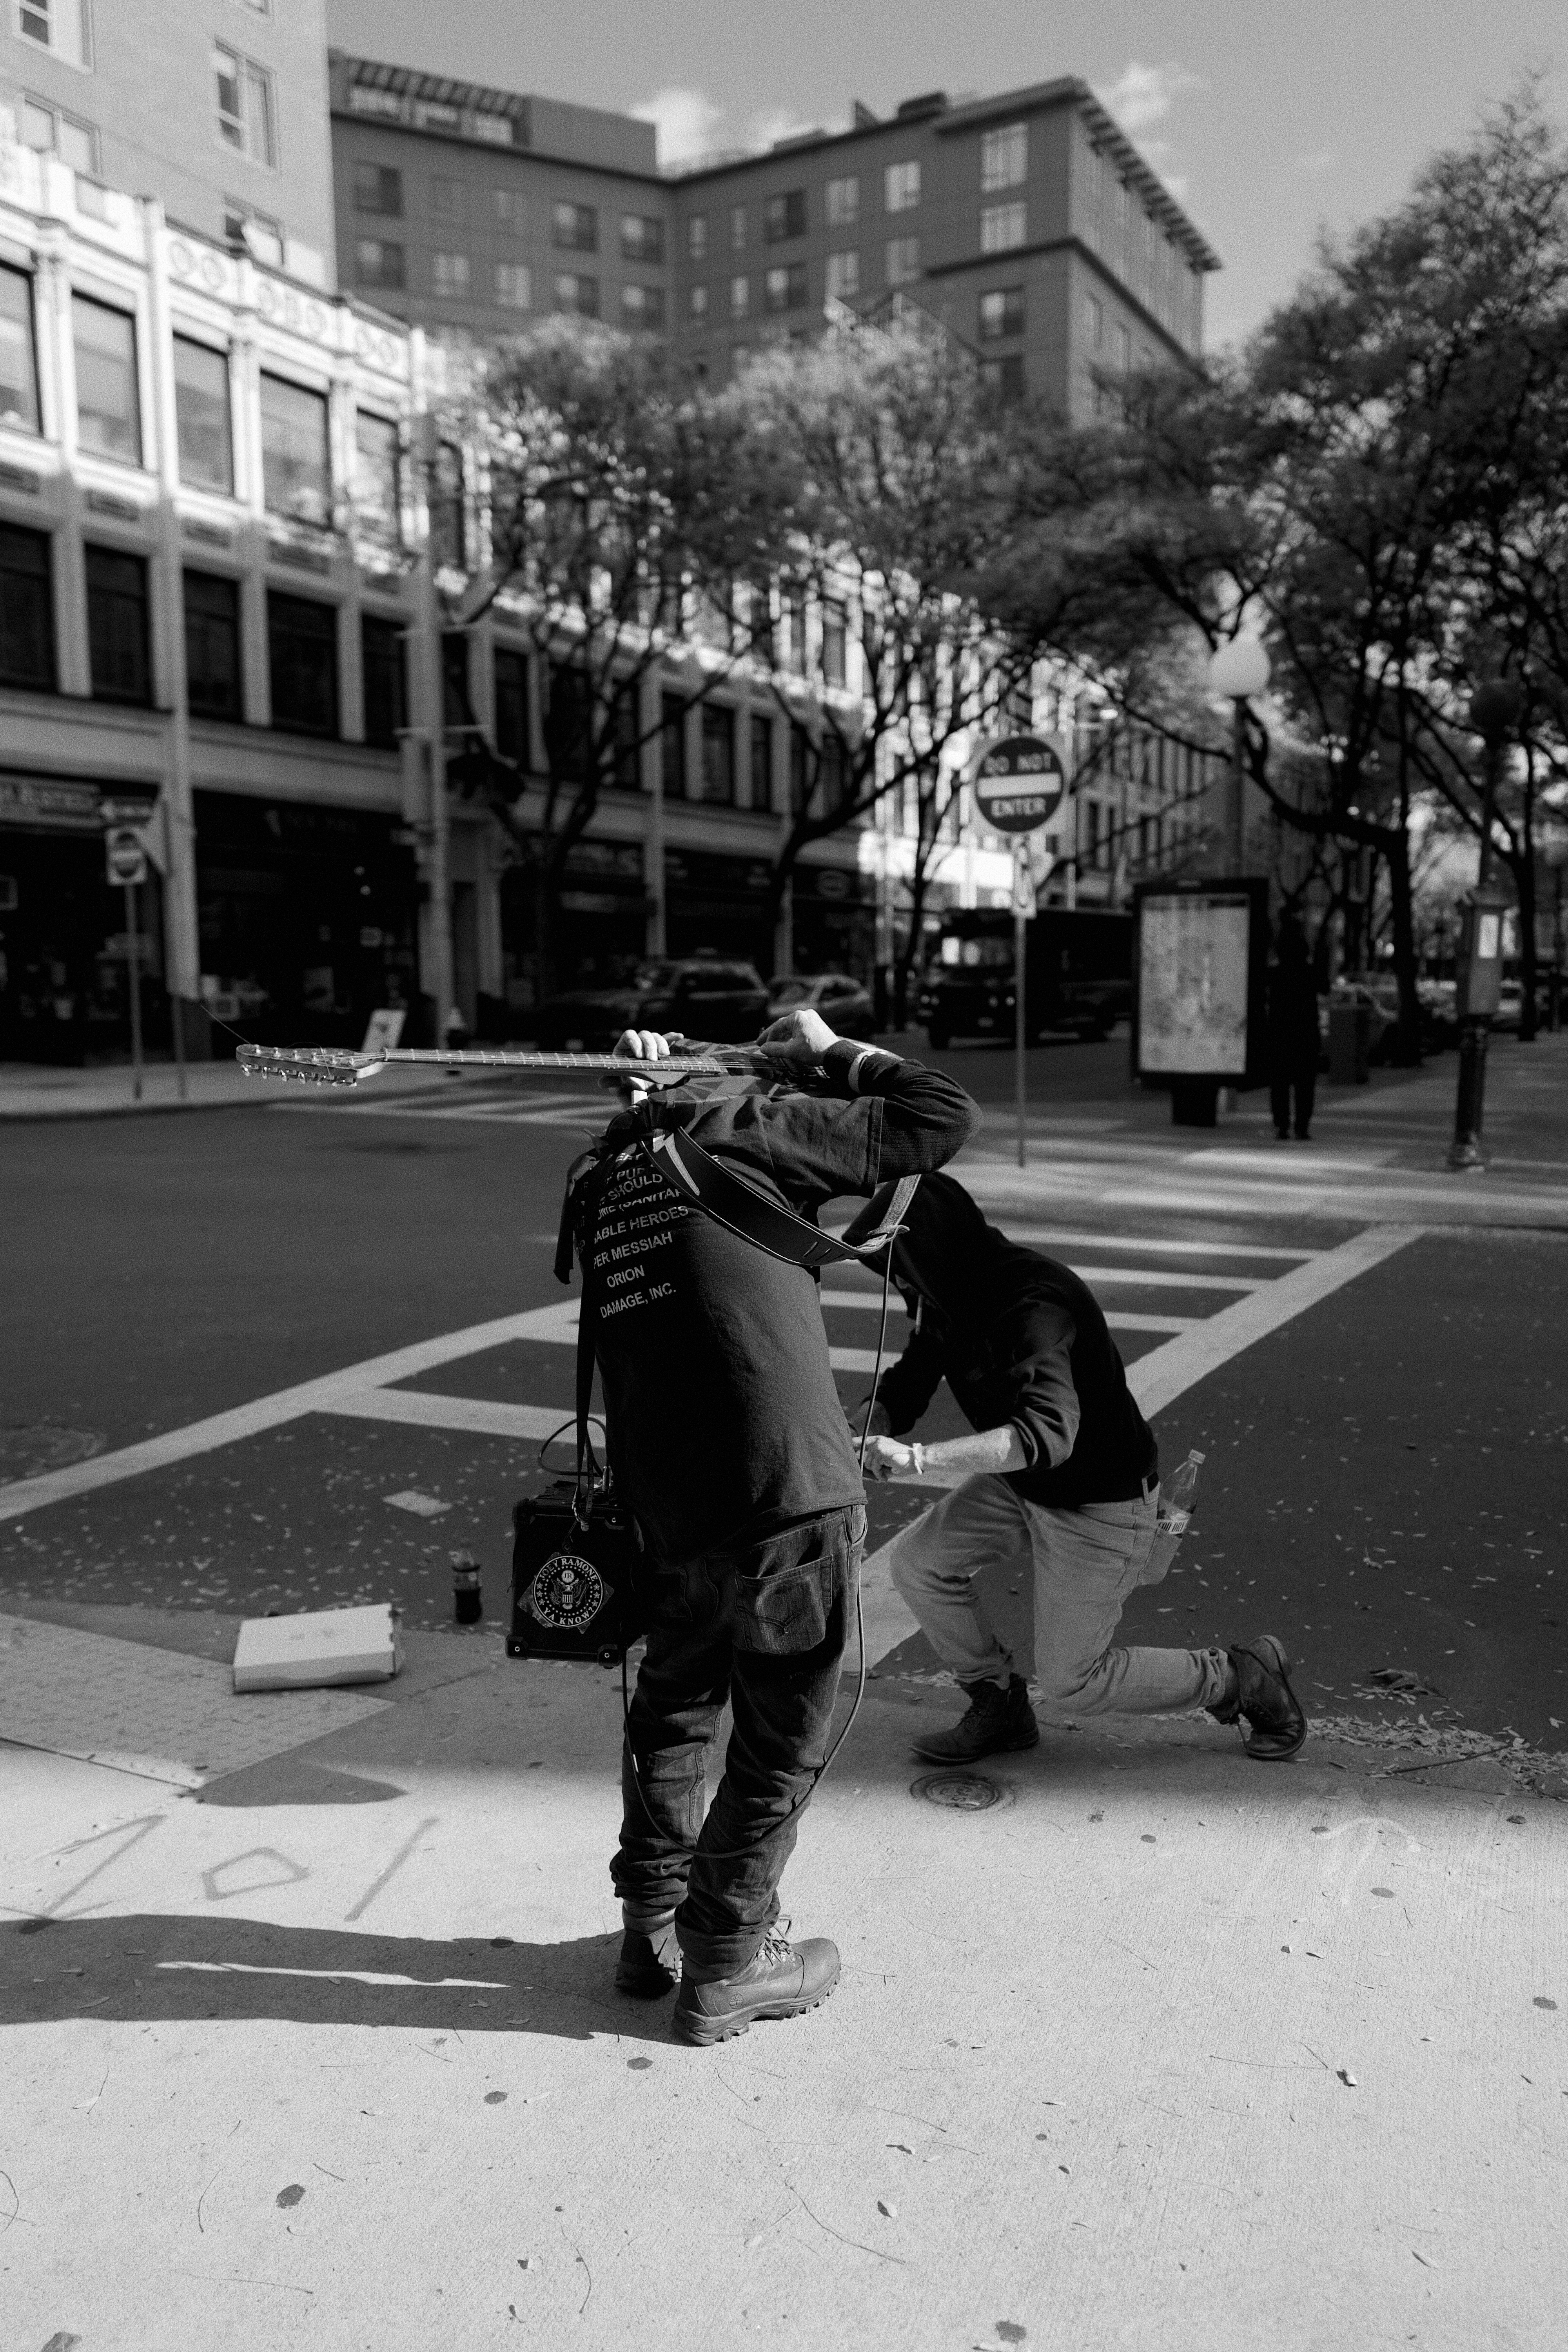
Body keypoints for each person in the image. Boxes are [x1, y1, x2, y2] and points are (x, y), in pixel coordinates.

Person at [572, 1008, 979, 2046]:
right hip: (783, 1490)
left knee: (674, 1705)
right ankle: (729, 1953)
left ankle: (652, 1925)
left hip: (670, 1499)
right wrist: (829, 1046)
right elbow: (939, 1115)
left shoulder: (603, 1173)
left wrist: (648, 1102)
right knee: (781, 1736)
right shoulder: (743, 1125)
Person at [853, 1174, 1307, 1766]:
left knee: (1075, 1682)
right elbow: (919, 1367)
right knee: (919, 1566)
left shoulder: (1037, 1306)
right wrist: (873, 1417)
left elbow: (1046, 1436)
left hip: (1097, 1499)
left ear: (930, 1252)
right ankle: (996, 1702)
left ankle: (1240, 1677)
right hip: (1024, 1484)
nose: (902, 1286)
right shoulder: (950, 1290)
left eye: (902, 1271)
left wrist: (918, 1460)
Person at [1268, 915, 1321, 1142]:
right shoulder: (1310, 973)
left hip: (1280, 1035)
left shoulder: (1276, 975)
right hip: (1306, 1034)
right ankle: (1302, 1126)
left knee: (1280, 1084)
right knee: (1305, 1085)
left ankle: (1282, 1125)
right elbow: (1326, 988)